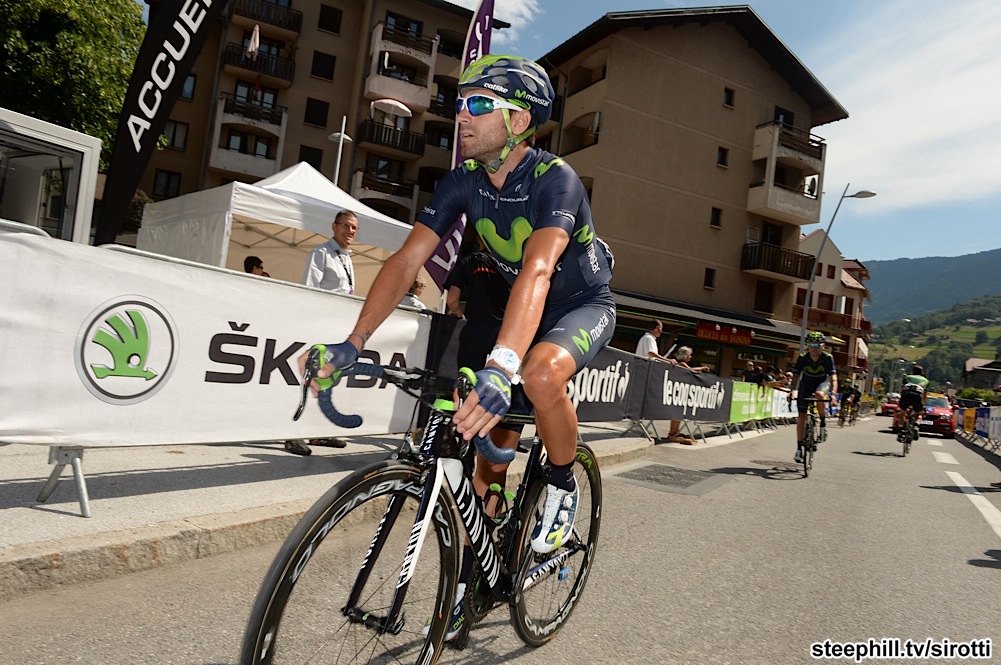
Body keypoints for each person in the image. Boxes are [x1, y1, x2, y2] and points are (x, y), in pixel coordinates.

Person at [298, 54, 614, 553]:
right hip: (520, 308)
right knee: (484, 460)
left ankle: (561, 484)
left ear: (519, 120)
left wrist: (502, 366)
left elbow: (537, 270)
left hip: (579, 305)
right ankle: (482, 564)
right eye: (461, 103)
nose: (461, 115)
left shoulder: (557, 180)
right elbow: (407, 261)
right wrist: (354, 342)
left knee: (538, 376)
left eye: (479, 105)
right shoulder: (463, 180)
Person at [635, 321, 696, 445]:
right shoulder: (649, 338)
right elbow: (651, 354)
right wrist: (667, 360)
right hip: (645, 373)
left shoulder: (648, 338)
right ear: (657, 328)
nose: (661, 331)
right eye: (661, 328)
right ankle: (638, 422)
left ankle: (640, 423)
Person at [789, 331, 838, 463]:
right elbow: (796, 376)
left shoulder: (828, 358)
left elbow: (833, 378)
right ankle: (799, 449)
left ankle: (823, 424)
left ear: (823, 346)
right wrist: (792, 391)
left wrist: (833, 394)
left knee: (819, 395)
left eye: (817, 345)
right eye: (811, 345)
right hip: (806, 384)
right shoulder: (802, 358)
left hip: (822, 382)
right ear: (807, 346)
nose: (814, 348)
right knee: (801, 415)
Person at [301, 210, 358, 294]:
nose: (350, 230)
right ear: (334, 227)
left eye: (354, 227)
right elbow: (309, 288)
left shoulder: (347, 257)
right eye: (345, 225)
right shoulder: (320, 253)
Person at [895, 364, 929, 435]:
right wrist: (923, 405)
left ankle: (900, 430)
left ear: (912, 371)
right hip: (917, 395)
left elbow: (902, 389)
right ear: (922, 373)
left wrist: (901, 399)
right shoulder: (925, 380)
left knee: (902, 413)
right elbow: (925, 395)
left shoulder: (907, 377)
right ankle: (916, 425)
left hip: (906, 394)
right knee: (919, 414)